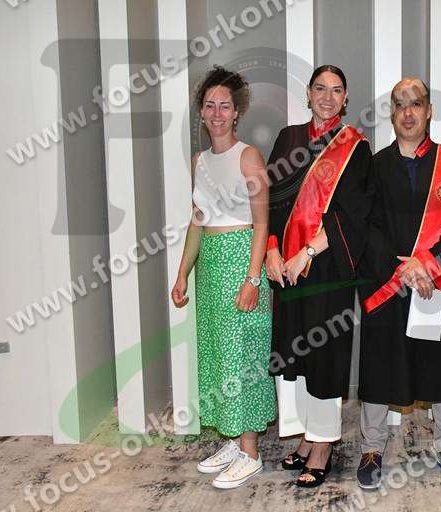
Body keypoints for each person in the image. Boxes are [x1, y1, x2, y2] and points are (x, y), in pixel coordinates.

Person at [356, 77, 441, 488]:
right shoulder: (374, 167)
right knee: (380, 363)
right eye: (399, 104)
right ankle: (372, 447)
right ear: (391, 113)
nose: (407, 112)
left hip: (435, 283)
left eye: (416, 103)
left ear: (428, 111)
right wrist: (402, 269)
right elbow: (365, 226)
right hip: (388, 282)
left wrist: (429, 264)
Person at [265, 64, 373, 488]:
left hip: (326, 266)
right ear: (308, 94)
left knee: (323, 353)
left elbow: (353, 215)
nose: (328, 97)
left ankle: (324, 443)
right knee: (293, 352)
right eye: (320, 89)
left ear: (346, 98)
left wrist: (307, 252)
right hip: (285, 269)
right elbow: (271, 200)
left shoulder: (355, 148)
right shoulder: (288, 139)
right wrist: (273, 250)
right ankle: (306, 436)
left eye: (336, 90)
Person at [170, 66, 275, 489]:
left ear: (237, 113)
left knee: (242, 358)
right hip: (210, 266)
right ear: (202, 111)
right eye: (210, 105)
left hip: (241, 262)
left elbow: (262, 224)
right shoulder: (199, 161)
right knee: (217, 357)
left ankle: (251, 452)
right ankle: (233, 440)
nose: (217, 113)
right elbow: (198, 220)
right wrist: (182, 274)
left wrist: (253, 280)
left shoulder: (249, 157)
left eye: (224, 106)